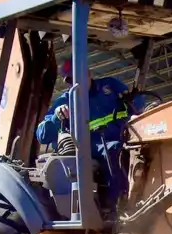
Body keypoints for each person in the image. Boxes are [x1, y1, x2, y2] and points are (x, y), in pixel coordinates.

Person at [35, 58, 134, 214]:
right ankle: (117, 205)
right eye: (70, 80)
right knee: (115, 150)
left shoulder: (110, 86)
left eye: (78, 76)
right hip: (90, 146)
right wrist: (56, 116)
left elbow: (137, 102)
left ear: (88, 73)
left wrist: (134, 101)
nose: (75, 82)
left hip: (125, 137)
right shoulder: (65, 100)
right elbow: (42, 134)